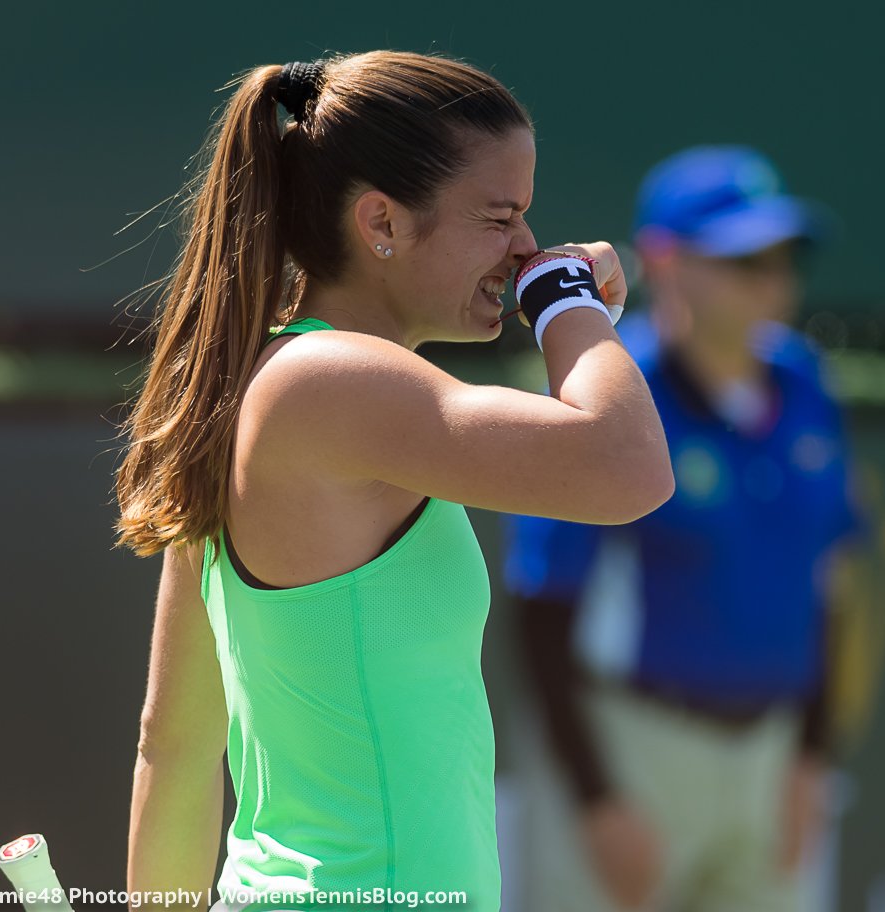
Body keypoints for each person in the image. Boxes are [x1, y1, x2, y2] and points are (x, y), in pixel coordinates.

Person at [116, 52, 674, 912]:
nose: (527, 247)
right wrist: (569, 304)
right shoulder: (328, 382)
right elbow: (626, 465)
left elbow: (174, 744)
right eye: (500, 217)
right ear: (382, 221)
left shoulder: (266, 384)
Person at [504, 145, 863, 912]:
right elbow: (541, 613)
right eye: (743, 257)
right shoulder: (604, 393)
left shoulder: (806, 383)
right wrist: (597, 802)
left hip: (771, 750)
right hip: (631, 750)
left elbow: (830, 585)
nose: (773, 277)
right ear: (664, 261)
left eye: (783, 255)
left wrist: (811, 759)